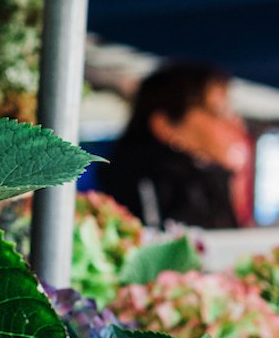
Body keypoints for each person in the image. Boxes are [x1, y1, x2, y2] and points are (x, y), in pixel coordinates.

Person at [98, 61, 251, 228]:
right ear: (165, 126)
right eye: (219, 111)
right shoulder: (145, 179)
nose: (236, 123)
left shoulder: (214, 177)